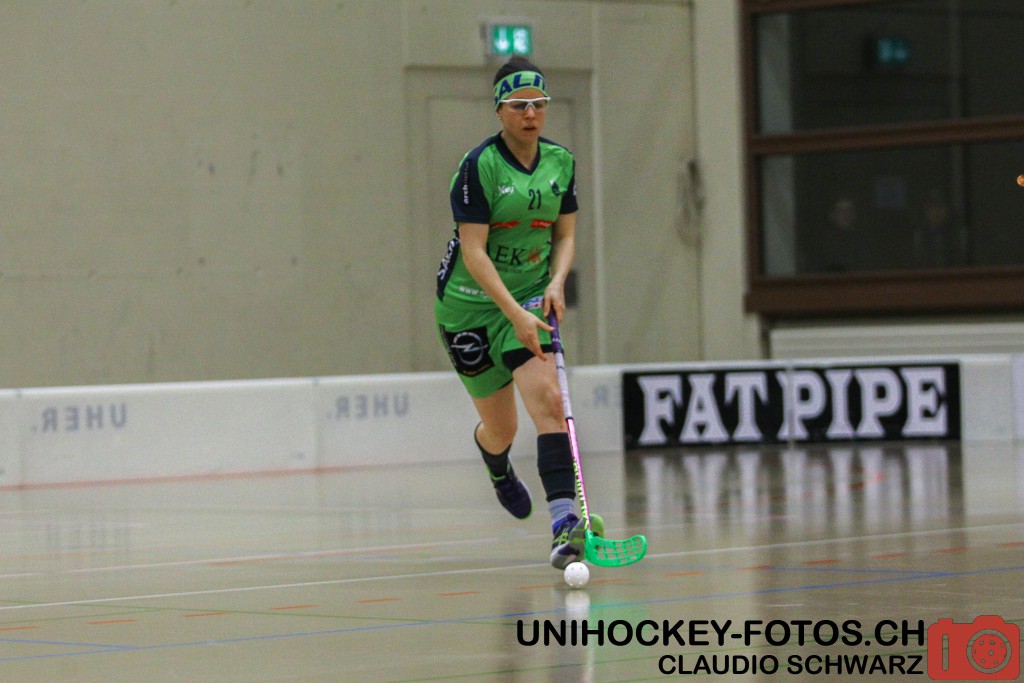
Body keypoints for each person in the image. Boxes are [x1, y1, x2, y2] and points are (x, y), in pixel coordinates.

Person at [434, 56, 603, 569]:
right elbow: (473, 252)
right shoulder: (478, 167)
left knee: (549, 399)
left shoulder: (561, 163)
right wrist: (511, 313)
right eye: (518, 105)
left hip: (529, 295)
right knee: (501, 428)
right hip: (469, 307)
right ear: (499, 110)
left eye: (538, 104)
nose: (530, 114)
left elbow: (565, 235)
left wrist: (555, 282)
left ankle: (563, 525)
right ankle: (496, 462)